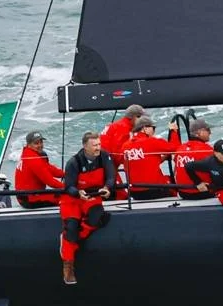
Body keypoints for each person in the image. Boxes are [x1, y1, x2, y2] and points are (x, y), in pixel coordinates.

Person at [57, 130, 117, 285]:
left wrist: (107, 188)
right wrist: (78, 193)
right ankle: (68, 267)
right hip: (73, 198)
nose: (98, 148)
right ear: (85, 146)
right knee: (71, 226)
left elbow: (111, 176)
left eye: (99, 144)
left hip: (93, 196)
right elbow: (68, 187)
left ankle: (72, 240)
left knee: (97, 217)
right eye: (94, 145)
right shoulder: (73, 162)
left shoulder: (104, 156)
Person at [120, 115, 180, 200]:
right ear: (145, 128)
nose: (154, 131)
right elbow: (176, 148)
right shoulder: (151, 141)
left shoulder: (125, 146)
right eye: (153, 128)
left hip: (134, 193)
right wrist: (174, 131)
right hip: (153, 190)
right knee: (173, 185)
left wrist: (164, 157)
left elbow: (143, 161)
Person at [12, 131, 63, 209]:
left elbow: (49, 168)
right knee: (68, 197)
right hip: (30, 199)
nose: (40, 145)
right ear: (28, 145)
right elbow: (51, 182)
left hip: (27, 196)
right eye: (36, 143)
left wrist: (67, 173)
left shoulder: (27, 153)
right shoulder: (33, 159)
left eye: (41, 142)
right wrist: (70, 187)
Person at [170, 120, 216, 197]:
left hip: (183, 193)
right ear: (199, 132)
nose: (210, 132)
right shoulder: (207, 149)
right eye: (208, 130)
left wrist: (174, 132)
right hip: (203, 193)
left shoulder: (180, 148)